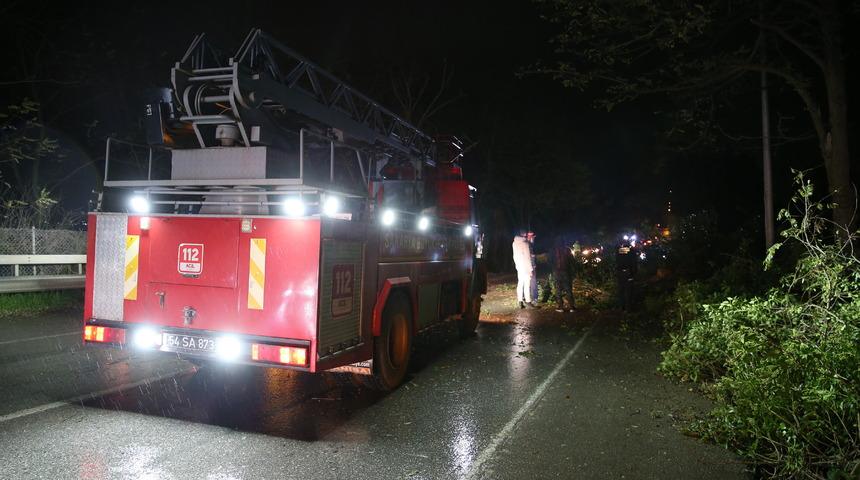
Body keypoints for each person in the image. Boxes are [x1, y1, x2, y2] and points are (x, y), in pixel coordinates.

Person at [551, 236, 575, 312]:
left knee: (558, 290)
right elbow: (572, 261)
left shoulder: (553, 250)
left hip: (557, 272)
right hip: (566, 272)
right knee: (568, 289)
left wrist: (553, 268)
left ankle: (560, 307)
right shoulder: (567, 250)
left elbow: (550, 261)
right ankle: (571, 307)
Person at [512, 230, 535, 308]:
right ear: (524, 235)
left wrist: (517, 266)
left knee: (520, 284)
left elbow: (514, 256)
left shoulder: (514, 243)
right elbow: (527, 258)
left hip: (519, 267)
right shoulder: (525, 244)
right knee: (527, 284)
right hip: (525, 267)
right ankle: (528, 301)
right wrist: (531, 269)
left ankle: (520, 301)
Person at [615, 239, 638, 310]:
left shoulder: (619, 251)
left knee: (621, 290)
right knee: (628, 291)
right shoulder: (631, 251)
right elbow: (634, 263)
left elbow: (617, 260)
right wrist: (634, 273)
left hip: (620, 273)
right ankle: (628, 308)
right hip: (628, 273)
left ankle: (621, 307)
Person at [527, 231, 539, 304]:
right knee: (532, 282)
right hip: (529, 266)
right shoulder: (526, 245)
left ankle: (534, 298)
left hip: (532, 266)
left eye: (533, 236)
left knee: (533, 282)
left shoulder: (532, 245)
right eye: (530, 236)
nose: (532, 238)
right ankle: (533, 298)